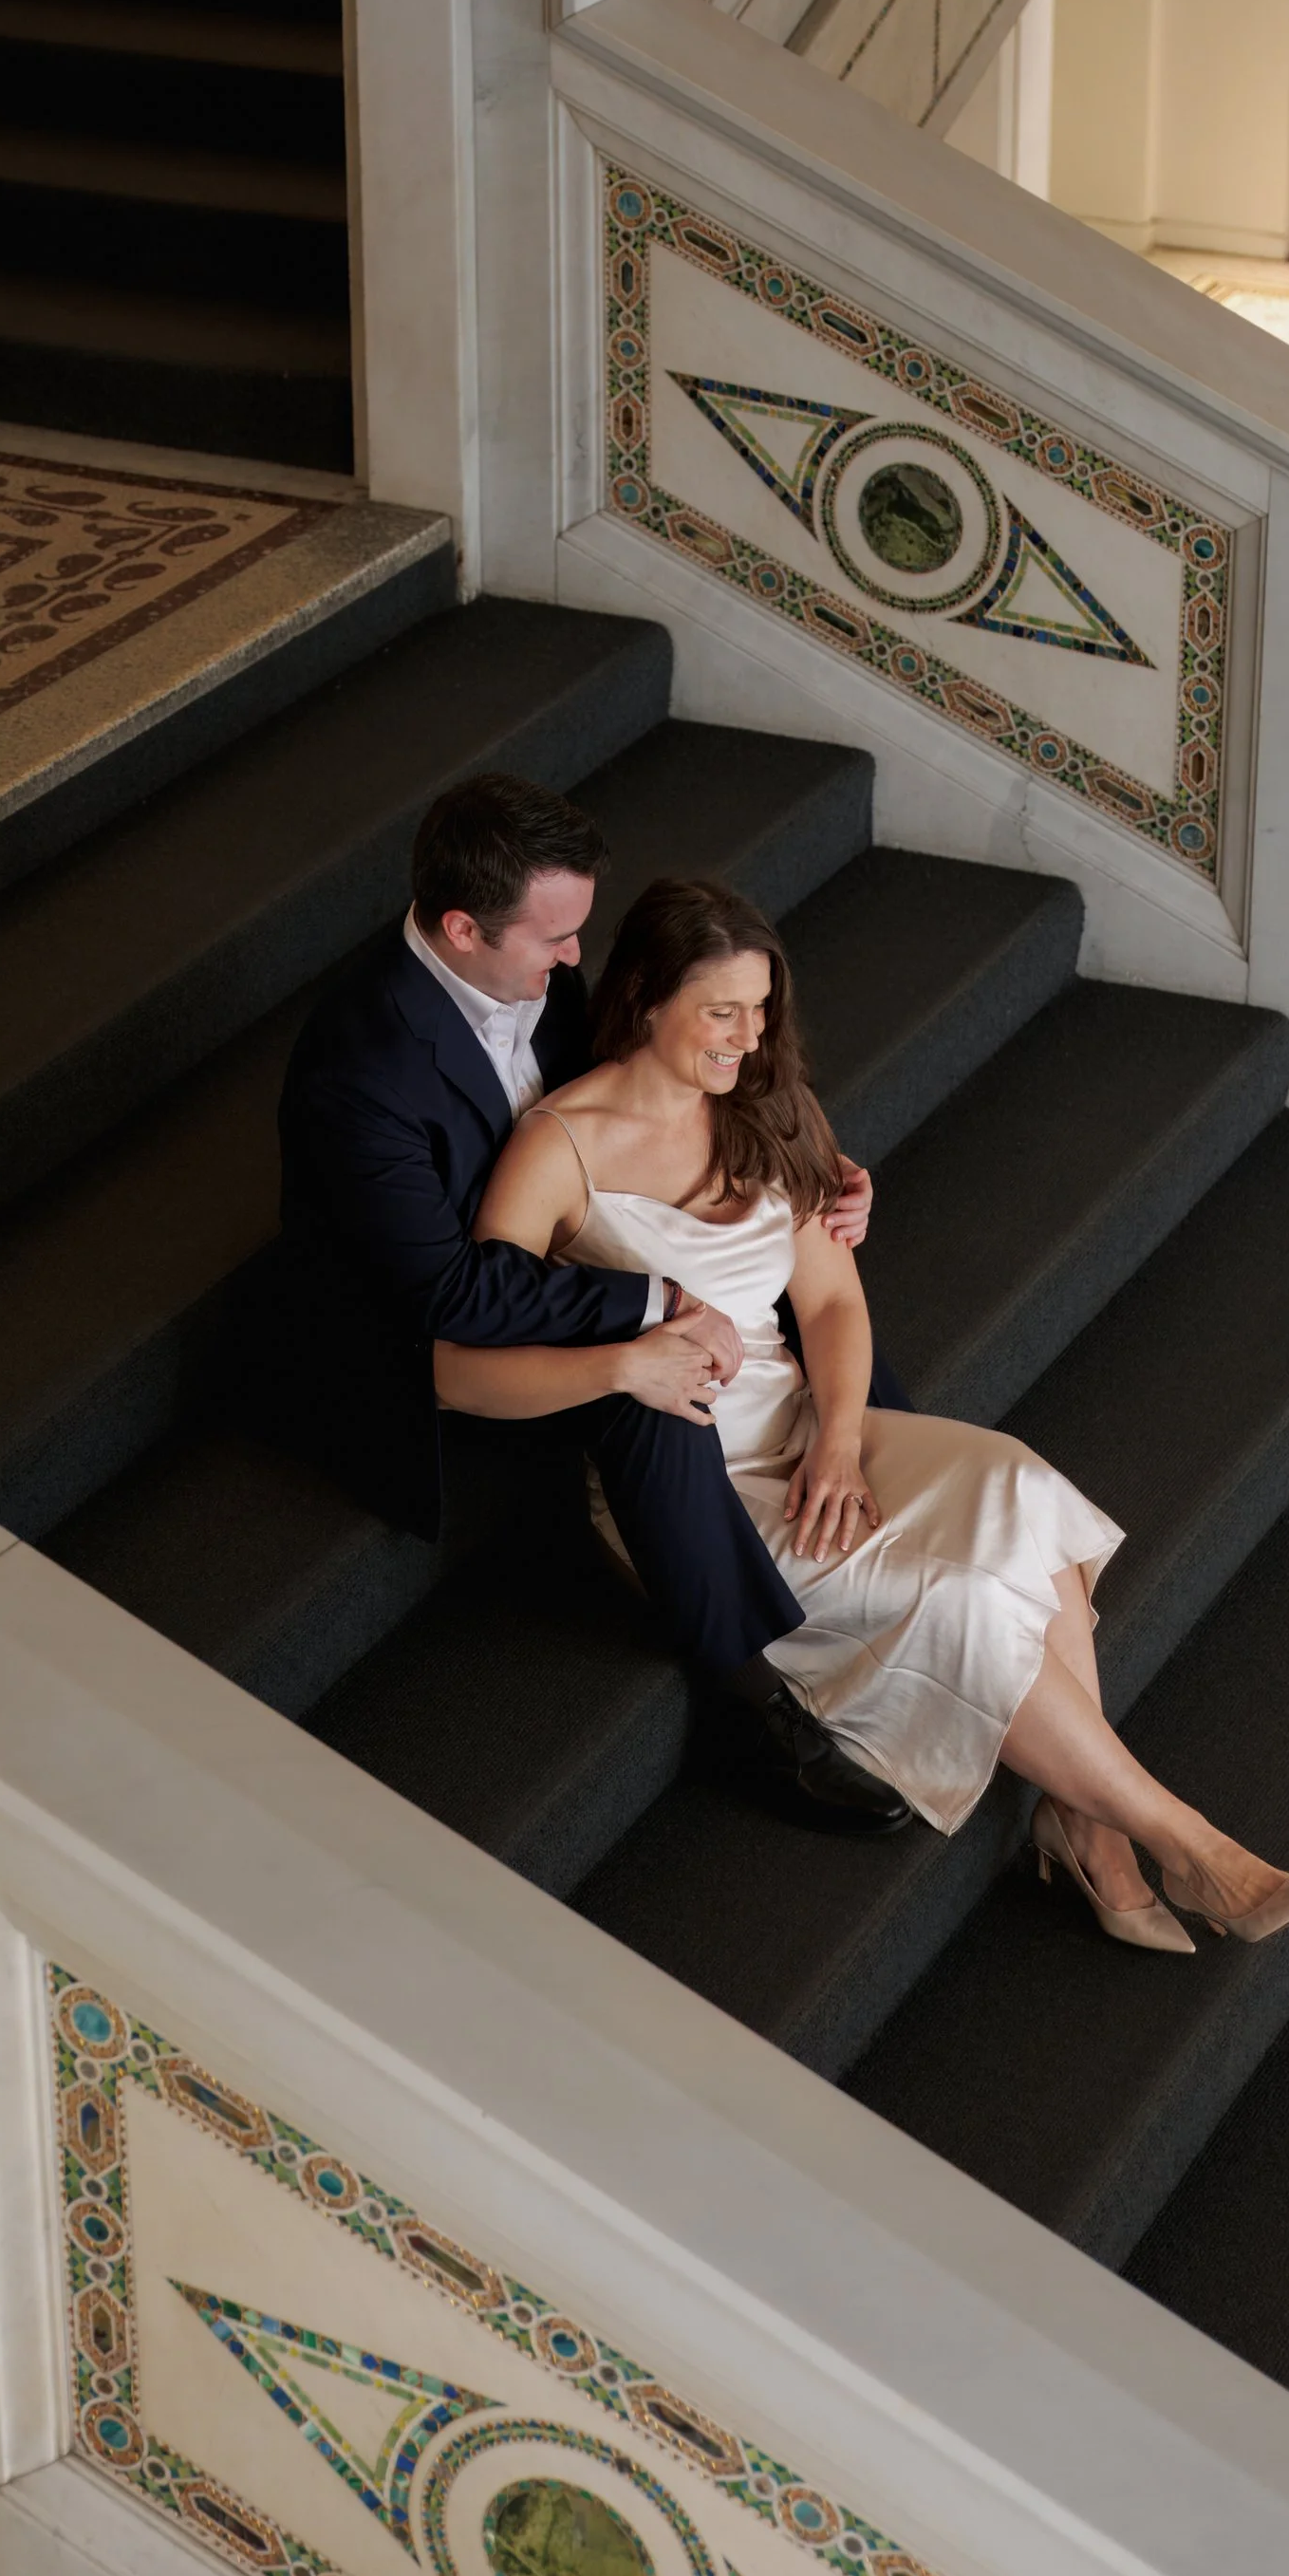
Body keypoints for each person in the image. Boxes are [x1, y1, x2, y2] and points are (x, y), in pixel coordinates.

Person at [435, 877, 1289, 1951]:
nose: (748, 1037)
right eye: (722, 1012)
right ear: (646, 1000)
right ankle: (1179, 1840)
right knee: (951, 1598)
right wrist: (621, 1368)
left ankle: (1086, 1826)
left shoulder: (767, 1103)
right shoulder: (558, 1148)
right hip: (690, 1474)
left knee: (1020, 1496)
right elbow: (456, 1371)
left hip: (811, 1423)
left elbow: (827, 1301)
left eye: (761, 1010)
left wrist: (841, 1441)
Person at [276, 776, 910, 1827]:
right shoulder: (360, 1071)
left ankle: (878, 1476)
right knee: (646, 1384)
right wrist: (656, 1298)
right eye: (555, 937)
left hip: (544, 1246)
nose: (578, 957)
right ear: (460, 926)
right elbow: (450, 1293)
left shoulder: (533, 976)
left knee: (801, 1289)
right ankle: (755, 1695)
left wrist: (803, 1164)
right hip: (422, 1341)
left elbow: (629, 1086)